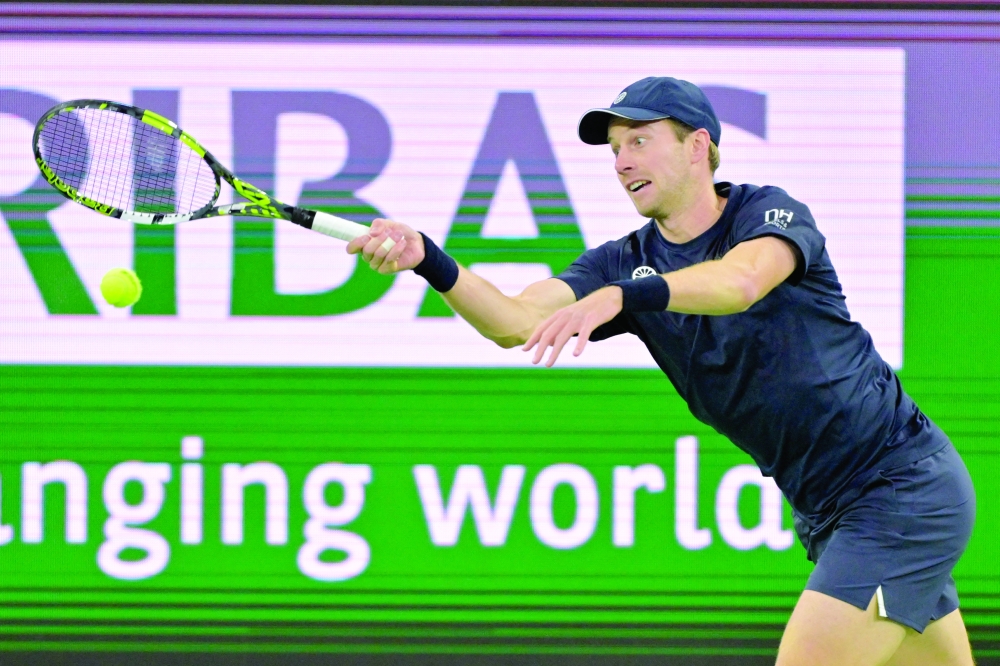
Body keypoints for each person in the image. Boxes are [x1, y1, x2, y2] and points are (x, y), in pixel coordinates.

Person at [347, 76, 976, 666]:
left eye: (639, 141)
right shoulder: (622, 261)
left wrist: (629, 297)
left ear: (699, 146)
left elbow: (741, 281)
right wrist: (430, 260)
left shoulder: (769, 215)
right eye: (616, 149)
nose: (621, 162)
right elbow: (514, 321)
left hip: (898, 487)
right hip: (826, 510)